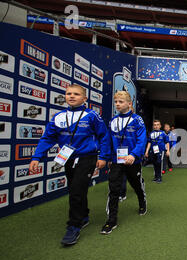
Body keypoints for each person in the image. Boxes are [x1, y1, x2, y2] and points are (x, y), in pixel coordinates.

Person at [29, 84, 110, 246]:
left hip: (87, 158)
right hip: (68, 158)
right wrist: (37, 157)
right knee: (76, 188)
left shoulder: (92, 116)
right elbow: (47, 138)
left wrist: (104, 156)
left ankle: (73, 226)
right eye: (68, 94)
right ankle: (84, 215)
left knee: (76, 191)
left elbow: (104, 136)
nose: (71, 96)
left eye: (76, 94)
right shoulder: (58, 117)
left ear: (84, 98)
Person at [101, 91, 147, 235]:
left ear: (129, 104)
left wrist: (134, 154)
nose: (117, 104)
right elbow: (108, 141)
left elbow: (142, 140)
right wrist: (108, 157)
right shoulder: (113, 120)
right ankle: (111, 220)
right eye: (116, 102)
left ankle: (142, 201)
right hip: (117, 161)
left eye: (121, 102)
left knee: (136, 184)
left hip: (133, 160)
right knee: (114, 189)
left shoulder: (137, 119)